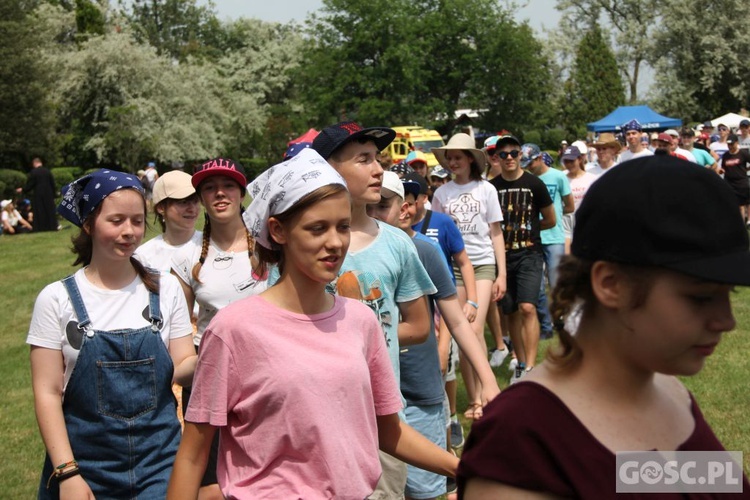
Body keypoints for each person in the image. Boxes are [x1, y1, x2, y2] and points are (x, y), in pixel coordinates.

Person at [168, 149, 458, 499]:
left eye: (343, 226)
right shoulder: (234, 330)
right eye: (317, 228)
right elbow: (193, 454)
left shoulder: (360, 321)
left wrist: (461, 466)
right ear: (278, 231)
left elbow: (388, 430)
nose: (335, 243)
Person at [458, 155, 750, 497]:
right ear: (611, 284)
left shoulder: (669, 393)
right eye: (700, 297)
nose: (727, 320)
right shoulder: (524, 445)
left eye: (727, 292)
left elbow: (620, 477)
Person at [28, 169, 195, 499]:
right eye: (116, 220)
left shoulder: (166, 289)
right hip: (83, 468)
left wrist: (212, 360)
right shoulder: (56, 299)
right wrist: (67, 472)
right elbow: (47, 392)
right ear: (89, 224)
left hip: (159, 466)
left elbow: (183, 364)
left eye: (136, 221)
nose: (129, 232)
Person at [308, 121, 438, 498]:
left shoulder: (397, 244)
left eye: (377, 158)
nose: (379, 168)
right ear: (329, 169)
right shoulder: (302, 244)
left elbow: (418, 326)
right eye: (364, 159)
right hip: (315, 418)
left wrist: (365, 335)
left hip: (380, 421)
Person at [367, 171, 500, 500]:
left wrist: (489, 381)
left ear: (404, 210)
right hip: (370, 396)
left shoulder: (423, 251)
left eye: (382, 206)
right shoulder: (343, 252)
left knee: (425, 489)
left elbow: (455, 320)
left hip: (419, 388)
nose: (374, 214)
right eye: (367, 206)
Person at [171, 158, 268, 498]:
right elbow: (179, 336)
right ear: (200, 198)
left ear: (242, 193)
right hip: (208, 371)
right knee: (211, 482)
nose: (219, 193)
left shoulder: (272, 248)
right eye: (209, 188)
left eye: (228, 185)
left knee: (265, 469)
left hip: (267, 369)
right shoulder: (186, 259)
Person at [431, 133, 507, 420]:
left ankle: (487, 392)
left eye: (458, 157)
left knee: (474, 328)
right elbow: (435, 233)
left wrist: (502, 273)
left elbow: (496, 233)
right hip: (453, 267)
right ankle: (475, 399)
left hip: (483, 263)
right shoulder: (441, 194)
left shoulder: (486, 189)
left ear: (471, 160)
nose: (452, 162)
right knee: (460, 330)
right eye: (449, 157)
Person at [489, 136, 555, 384]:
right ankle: (520, 362)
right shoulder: (491, 187)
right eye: (503, 154)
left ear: (520, 156)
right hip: (502, 256)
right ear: (496, 158)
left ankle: (530, 367)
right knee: (511, 311)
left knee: (528, 307)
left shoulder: (534, 184)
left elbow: (550, 219)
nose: (508, 158)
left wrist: (530, 233)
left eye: (513, 153)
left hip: (530, 254)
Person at [524, 143, 574, 345]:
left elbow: (569, 205)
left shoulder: (558, 177)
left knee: (556, 283)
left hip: (554, 236)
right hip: (534, 238)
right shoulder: (526, 179)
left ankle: (561, 320)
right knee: (536, 287)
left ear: (539, 158)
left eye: (530, 163)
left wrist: (556, 215)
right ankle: (545, 326)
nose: (528, 167)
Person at [135, 170, 202, 274]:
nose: (192, 208)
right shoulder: (143, 256)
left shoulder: (213, 246)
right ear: (161, 207)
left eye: (195, 201)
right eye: (183, 202)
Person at [17, 157, 57, 231]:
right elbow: (53, 184)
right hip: (48, 194)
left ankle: (41, 227)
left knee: (40, 211)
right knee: (49, 210)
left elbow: (30, 184)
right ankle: (52, 226)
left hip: (38, 195)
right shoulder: (48, 171)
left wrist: (23, 189)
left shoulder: (34, 172)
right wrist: (54, 195)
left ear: (34, 163)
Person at [719, 134, 750, 223]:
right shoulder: (726, 155)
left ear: (736, 143)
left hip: (741, 182)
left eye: (732, 144)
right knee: (731, 203)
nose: (730, 146)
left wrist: (746, 169)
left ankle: (742, 225)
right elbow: (723, 167)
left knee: (741, 205)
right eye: (728, 144)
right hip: (729, 182)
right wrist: (722, 170)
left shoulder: (743, 153)